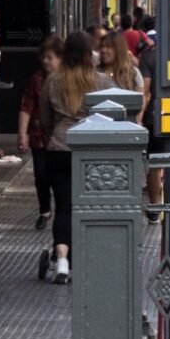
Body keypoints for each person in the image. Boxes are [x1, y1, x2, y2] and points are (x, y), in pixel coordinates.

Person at [39, 31, 114, 284]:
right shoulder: (101, 81)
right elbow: (118, 112)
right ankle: (91, 257)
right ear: (88, 53)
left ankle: (61, 262)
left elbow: (45, 118)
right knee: (91, 206)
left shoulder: (53, 80)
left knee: (63, 207)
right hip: (91, 150)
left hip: (59, 148)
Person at [17, 35, 64, 230]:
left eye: (50, 57)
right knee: (41, 174)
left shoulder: (68, 79)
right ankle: (44, 210)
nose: (45, 61)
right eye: (43, 57)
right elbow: (27, 106)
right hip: (40, 136)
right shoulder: (37, 79)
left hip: (62, 138)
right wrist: (22, 133)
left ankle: (63, 211)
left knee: (59, 176)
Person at [139, 17, 161, 224]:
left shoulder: (149, 57)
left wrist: (138, 119)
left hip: (155, 117)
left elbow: (144, 92)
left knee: (155, 164)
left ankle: (155, 207)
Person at [99, 31, 148, 124]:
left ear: (118, 49)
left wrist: (135, 126)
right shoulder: (95, 73)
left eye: (108, 47)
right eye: (102, 46)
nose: (103, 50)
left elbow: (141, 104)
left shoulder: (133, 73)